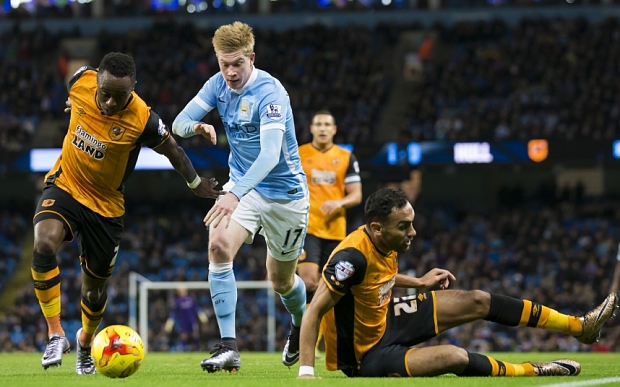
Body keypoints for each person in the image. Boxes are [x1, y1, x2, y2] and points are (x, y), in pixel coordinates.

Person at [298, 188, 619, 378]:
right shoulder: (350, 259)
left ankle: (579, 326)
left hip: (386, 318)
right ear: (377, 228)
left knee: (476, 299)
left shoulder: (382, 243)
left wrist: (419, 282)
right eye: (404, 226)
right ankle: (534, 370)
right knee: (454, 356)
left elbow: (374, 278)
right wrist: (307, 374)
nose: (413, 233)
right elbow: (313, 311)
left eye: (412, 223)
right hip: (365, 357)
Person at [33, 52, 222, 375]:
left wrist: (195, 183)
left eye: (119, 96)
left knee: (93, 291)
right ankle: (56, 334)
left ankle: (85, 341)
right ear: (97, 82)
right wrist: (75, 105)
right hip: (66, 185)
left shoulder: (143, 119)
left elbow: (174, 150)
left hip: (106, 208)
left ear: (133, 88)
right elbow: (77, 91)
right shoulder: (81, 81)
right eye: (104, 93)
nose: (108, 102)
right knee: (43, 243)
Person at [172, 21, 308, 372]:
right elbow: (178, 123)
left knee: (280, 281)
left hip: (286, 197)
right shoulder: (217, 84)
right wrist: (198, 126)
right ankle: (228, 347)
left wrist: (233, 193)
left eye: (237, 64)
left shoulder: (271, 93)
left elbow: (270, 155)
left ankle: (299, 324)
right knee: (218, 244)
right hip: (245, 189)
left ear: (252, 58)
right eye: (223, 64)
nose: (230, 72)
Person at [297, 110, 362, 306]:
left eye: (326, 125)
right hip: (307, 227)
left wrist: (339, 202)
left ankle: (319, 330)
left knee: (328, 285)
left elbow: (356, 195)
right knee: (308, 281)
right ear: (311, 129)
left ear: (334, 129)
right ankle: (301, 329)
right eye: (318, 125)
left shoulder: (346, 157)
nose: (322, 129)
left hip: (335, 231)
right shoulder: (298, 154)